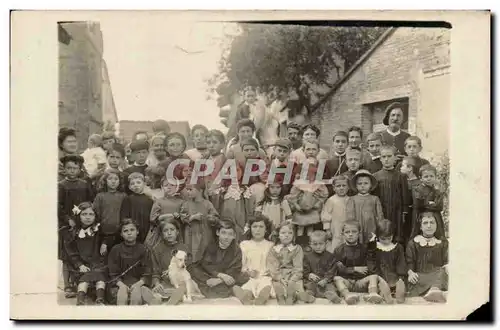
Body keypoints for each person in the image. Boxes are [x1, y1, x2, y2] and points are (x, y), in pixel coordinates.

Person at [58, 155, 94, 298]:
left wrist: (87, 217)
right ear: (64, 169)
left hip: (83, 223)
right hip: (67, 225)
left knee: (80, 253)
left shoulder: (84, 184)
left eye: (75, 168)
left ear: (80, 169)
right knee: (67, 255)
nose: (72, 171)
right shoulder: (61, 185)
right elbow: (58, 206)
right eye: (69, 168)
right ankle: (67, 285)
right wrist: (67, 220)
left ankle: (79, 281)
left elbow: (90, 201)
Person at [189, 220, 250, 301]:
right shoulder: (211, 245)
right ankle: (213, 287)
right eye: (223, 233)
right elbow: (206, 264)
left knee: (243, 276)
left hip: (227, 276)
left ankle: (229, 289)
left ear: (234, 236)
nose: (226, 237)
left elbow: (235, 269)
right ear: (218, 233)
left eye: (230, 234)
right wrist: (219, 275)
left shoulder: (236, 250)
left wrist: (219, 280)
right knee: (193, 269)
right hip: (210, 274)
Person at [62, 202, 107, 305]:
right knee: (84, 280)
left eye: (91, 214)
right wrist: (79, 264)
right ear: (78, 216)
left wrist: (104, 244)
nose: (88, 217)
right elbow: (71, 252)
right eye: (84, 214)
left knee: (100, 277)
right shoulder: (73, 233)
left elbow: (106, 237)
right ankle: (80, 300)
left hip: (96, 262)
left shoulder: (97, 230)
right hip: (81, 263)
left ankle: (100, 299)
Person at [287, 139, 329, 248]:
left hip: (313, 207)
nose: (311, 152)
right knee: (300, 227)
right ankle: (300, 244)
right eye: (308, 149)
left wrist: (318, 203)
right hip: (301, 207)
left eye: (313, 149)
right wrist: (295, 204)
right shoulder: (300, 172)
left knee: (310, 226)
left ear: (318, 151)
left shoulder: (321, 168)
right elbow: (293, 194)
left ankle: (311, 244)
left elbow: (324, 193)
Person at [107, 219, 160, 305]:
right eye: (125, 231)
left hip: (139, 284)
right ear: (121, 234)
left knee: (140, 295)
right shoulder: (116, 250)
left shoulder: (144, 249)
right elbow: (113, 273)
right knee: (122, 295)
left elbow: (147, 272)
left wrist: (138, 285)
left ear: (137, 231)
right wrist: (122, 286)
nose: (129, 233)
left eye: (132, 230)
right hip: (119, 285)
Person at [333, 221, 384, 305]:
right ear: (343, 234)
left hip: (361, 282)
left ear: (359, 233)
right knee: (336, 278)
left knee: (374, 276)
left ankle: (373, 293)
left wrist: (371, 249)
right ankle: (347, 295)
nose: (350, 234)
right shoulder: (339, 250)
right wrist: (354, 269)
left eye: (354, 232)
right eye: (347, 232)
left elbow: (370, 266)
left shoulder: (364, 249)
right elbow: (338, 268)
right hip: (347, 282)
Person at [150, 218, 194, 305]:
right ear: (162, 234)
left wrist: (172, 271)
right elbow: (155, 271)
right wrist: (157, 283)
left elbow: (188, 268)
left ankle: (176, 297)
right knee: (157, 294)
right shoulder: (157, 249)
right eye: (165, 230)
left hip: (181, 282)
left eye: (172, 230)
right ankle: (173, 298)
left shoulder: (184, 248)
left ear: (177, 232)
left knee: (183, 288)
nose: (169, 233)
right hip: (165, 282)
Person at [406, 212, 448, 303]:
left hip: (438, 276)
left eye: (432, 222)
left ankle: (434, 290)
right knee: (413, 280)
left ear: (437, 225)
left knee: (442, 272)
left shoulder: (442, 243)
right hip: (420, 277)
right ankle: (436, 292)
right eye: (425, 223)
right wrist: (410, 273)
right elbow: (409, 262)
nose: (429, 226)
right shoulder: (413, 243)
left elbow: (446, 262)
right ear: (420, 227)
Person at [267, 223, 313, 305]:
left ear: (294, 235)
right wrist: (279, 278)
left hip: (293, 275)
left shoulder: (297, 248)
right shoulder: (274, 249)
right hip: (279, 275)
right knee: (277, 285)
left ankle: (294, 296)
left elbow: (298, 267)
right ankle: (281, 297)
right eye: (283, 233)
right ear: (278, 235)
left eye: (290, 233)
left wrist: (292, 279)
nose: (287, 235)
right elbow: (272, 266)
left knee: (295, 285)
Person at [373, 145, 411, 244]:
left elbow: (405, 196)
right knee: (382, 233)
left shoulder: (401, 176)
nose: (386, 159)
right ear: (380, 158)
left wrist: (404, 213)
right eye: (384, 157)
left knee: (396, 236)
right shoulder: (375, 176)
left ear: (395, 158)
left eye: (389, 156)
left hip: (397, 212)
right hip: (382, 211)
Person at [367, 219, 407, 304]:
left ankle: (398, 292)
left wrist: (401, 277)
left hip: (394, 276)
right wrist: (376, 275)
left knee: (399, 282)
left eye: (389, 238)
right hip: (380, 276)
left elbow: (401, 262)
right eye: (383, 239)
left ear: (393, 235)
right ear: (377, 236)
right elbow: (371, 262)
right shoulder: (374, 247)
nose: (386, 241)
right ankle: (386, 294)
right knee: (379, 285)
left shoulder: (397, 247)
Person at [238, 215, 275, 305]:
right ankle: (246, 299)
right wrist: (247, 272)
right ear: (250, 229)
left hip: (265, 276)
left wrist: (272, 272)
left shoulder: (271, 245)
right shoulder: (244, 244)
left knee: (266, 288)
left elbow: (274, 264)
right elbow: (241, 264)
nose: (257, 230)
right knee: (248, 289)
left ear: (266, 229)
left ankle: (261, 300)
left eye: (261, 227)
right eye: (254, 226)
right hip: (250, 276)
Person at [179, 182, 220, 262]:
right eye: (187, 190)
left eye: (190, 190)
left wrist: (211, 218)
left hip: (205, 233)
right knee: (192, 253)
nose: (188, 192)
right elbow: (182, 217)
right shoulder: (186, 204)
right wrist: (192, 217)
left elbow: (216, 217)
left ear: (200, 191)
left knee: (204, 253)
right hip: (191, 235)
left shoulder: (207, 204)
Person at [93, 168, 127, 255]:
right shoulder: (100, 196)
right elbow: (96, 214)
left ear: (120, 181)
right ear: (105, 181)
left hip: (119, 232)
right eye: (110, 179)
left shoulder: (123, 196)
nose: (113, 181)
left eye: (116, 179)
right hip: (104, 232)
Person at [145, 177, 185, 250]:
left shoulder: (181, 202)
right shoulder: (159, 201)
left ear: (177, 187)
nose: (169, 187)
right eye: (166, 185)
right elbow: (152, 218)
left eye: (172, 185)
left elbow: (184, 217)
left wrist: (179, 216)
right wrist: (167, 216)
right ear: (162, 187)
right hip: (161, 231)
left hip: (177, 232)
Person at [346, 170, 384, 244]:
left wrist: (380, 228)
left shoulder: (375, 199)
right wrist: (352, 228)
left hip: (372, 227)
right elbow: (350, 216)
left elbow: (380, 215)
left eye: (366, 183)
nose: (362, 186)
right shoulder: (352, 199)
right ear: (356, 186)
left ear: (370, 185)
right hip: (357, 228)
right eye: (360, 184)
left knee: (371, 244)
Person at [303, 230, 342, 304]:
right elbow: (305, 270)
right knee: (310, 286)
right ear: (310, 244)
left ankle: (332, 296)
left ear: (326, 243)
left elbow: (332, 270)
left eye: (321, 244)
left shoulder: (331, 256)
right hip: (313, 281)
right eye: (315, 244)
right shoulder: (307, 257)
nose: (318, 246)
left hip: (326, 280)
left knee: (330, 287)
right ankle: (309, 295)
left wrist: (326, 279)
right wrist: (309, 275)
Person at [410, 165, 446, 240]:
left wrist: (427, 204)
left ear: (435, 177)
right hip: (421, 217)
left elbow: (439, 206)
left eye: (431, 176)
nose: (429, 178)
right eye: (426, 177)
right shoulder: (418, 190)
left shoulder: (437, 191)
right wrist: (430, 204)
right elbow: (419, 205)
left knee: (437, 237)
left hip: (436, 217)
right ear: (421, 178)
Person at [120, 172, 154, 243]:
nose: (136, 185)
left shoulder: (150, 200)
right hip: (133, 230)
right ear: (129, 187)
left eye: (138, 182)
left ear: (144, 184)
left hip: (146, 228)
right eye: (132, 183)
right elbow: (124, 217)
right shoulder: (128, 199)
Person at [321, 175, 350, 252]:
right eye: (338, 186)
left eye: (344, 185)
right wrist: (327, 229)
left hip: (347, 226)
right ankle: (335, 259)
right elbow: (326, 215)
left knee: (347, 242)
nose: (341, 188)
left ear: (348, 187)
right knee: (336, 242)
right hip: (335, 226)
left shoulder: (350, 200)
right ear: (334, 188)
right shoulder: (331, 200)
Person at [204, 129, 227, 211]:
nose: (211, 145)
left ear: (222, 144)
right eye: (208, 143)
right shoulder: (204, 159)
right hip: (206, 191)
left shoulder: (225, 160)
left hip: (219, 191)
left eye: (214, 142)